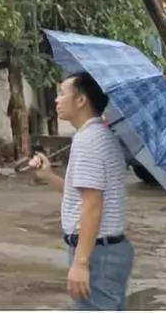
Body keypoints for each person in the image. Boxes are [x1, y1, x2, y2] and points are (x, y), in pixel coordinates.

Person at [28, 72, 132, 310]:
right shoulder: (98, 135)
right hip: (105, 250)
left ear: (81, 100)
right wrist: (48, 176)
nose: (56, 99)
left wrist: (81, 262)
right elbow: (82, 197)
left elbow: (92, 206)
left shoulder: (89, 140)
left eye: (63, 93)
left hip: (97, 255)